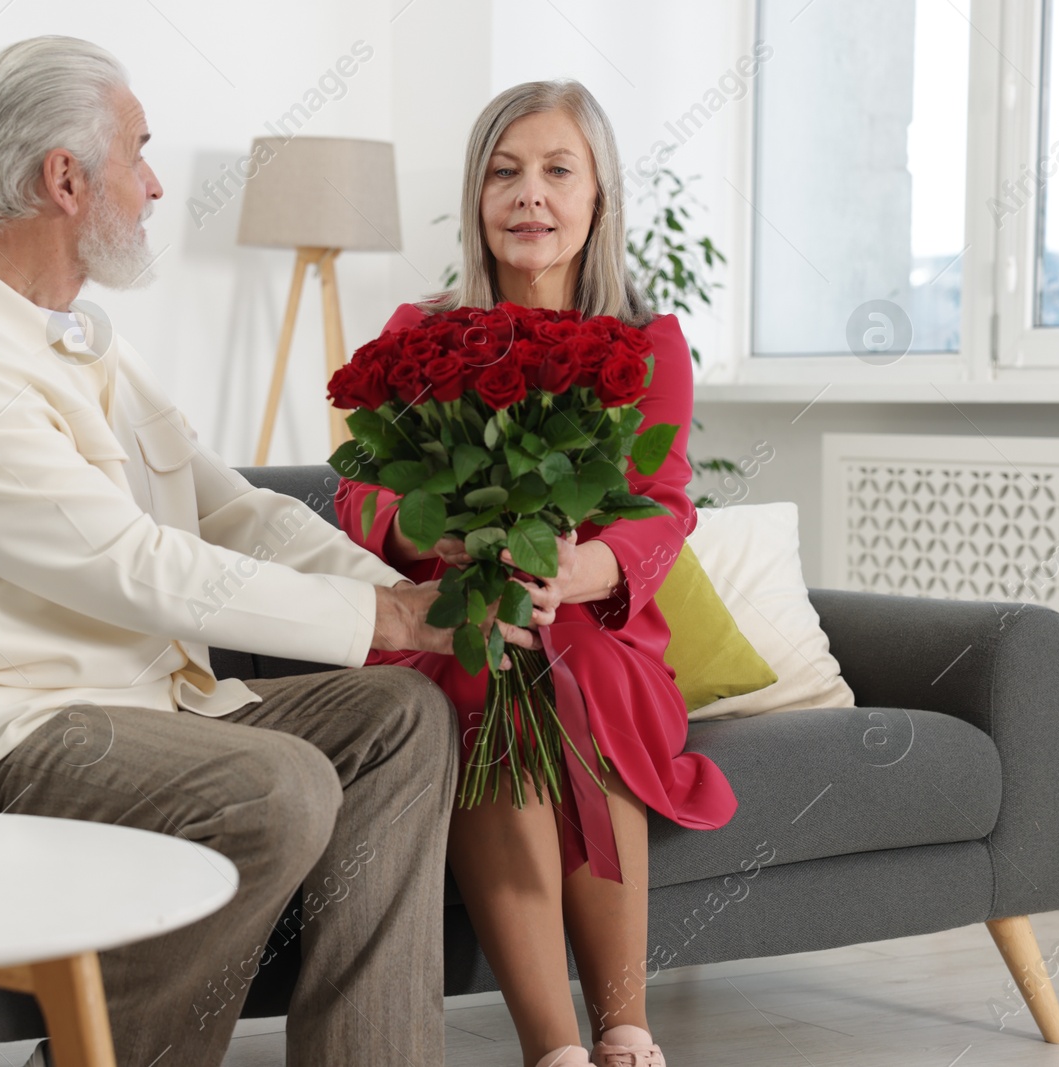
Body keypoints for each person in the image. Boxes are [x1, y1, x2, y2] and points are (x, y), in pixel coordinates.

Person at [0, 35, 559, 1067]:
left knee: (404, 713)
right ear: (65, 179)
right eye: (138, 155)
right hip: (10, 731)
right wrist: (386, 618)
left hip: (147, 707)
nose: (154, 184)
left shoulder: (78, 338)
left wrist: (411, 597)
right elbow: (136, 565)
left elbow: (231, 513)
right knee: (276, 787)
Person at [334, 80, 739, 1067]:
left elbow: (663, 503)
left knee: (582, 672)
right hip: (453, 615)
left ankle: (624, 1025)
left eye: (558, 171)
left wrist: (583, 562)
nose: (530, 195)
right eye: (505, 172)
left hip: (597, 619)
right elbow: (358, 497)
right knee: (487, 657)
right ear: (477, 197)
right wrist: (455, 545)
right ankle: (553, 1047)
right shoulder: (414, 333)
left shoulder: (650, 345)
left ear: (597, 197)